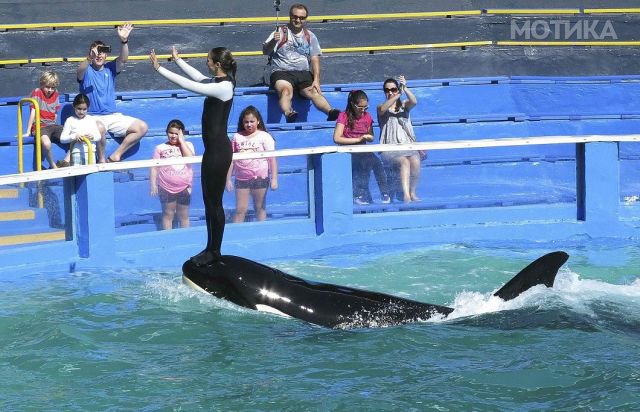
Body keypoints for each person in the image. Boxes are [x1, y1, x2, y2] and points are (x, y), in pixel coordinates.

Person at [150, 45, 236, 266]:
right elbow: (198, 77)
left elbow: (192, 85)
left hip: (219, 152)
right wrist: (177, 60)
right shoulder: (218, 82)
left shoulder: (225, 86)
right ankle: (210, 248)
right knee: (209, 201)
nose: (206, 62)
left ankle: (215, 250)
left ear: (218, 64)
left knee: (215, 203)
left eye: (209, 60)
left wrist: (160, 69)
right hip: (213, 151)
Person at [78, 23, 148, 163]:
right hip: (92, 117)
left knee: (142, 127)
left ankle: (116, 155)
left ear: (106, 54)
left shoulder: (110, 68)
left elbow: (123, 58)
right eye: (96, 52)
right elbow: (80, 71)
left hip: (112, 116)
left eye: (102, 51)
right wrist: (88, 58)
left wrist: (124, 41)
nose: (99, 55)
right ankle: (102, 160)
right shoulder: (87, 70)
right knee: (100, 128)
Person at [262, 3, 340, 123]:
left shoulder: (310, 36)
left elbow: (315, 58)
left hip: (303, 73)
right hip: (282, 72)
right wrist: (273, 40)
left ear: (305, 19)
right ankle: (289, 113)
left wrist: (316, 80)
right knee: (286, 91)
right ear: (290, 16)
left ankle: (330, 112)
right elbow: (265, 51)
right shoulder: (279, 32)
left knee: (313, 91)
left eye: (301, 17)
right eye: (295, 16)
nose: (298, 20)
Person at [333, 90, 390, 205]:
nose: (363, 110)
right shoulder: (343, 116)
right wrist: (357, 140)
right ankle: (359, 194)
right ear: (353, 105)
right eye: (360, 107)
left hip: (362, 148)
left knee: (377, 163)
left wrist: (368, 138)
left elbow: (371, 136)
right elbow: (337, 138)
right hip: (347, 149)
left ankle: (384, 193)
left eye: (366, 107)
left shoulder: (367, 116)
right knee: (364, 163)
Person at [226, 106, 278, 223]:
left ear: (258, 121)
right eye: (246, 122)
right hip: (242, 179)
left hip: (260, 178)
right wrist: (228, 179)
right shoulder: (237, 137)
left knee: (259, 207)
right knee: (240, 209)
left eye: (252, 121)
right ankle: (236, 233)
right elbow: (232, 160)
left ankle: (262, 232)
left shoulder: (265, 136)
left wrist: (274, 179)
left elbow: (272, 159)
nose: (249, 125)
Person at [377, 76, 422, 203]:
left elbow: (414, 101)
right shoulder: (381, 107)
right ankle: (406, 195)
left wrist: (405, 88)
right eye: (387, 90)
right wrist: (397, 95)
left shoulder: (404, 106)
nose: (390, 92)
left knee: (415, 161)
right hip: (389, 148)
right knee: (404, 161)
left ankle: (412, 192)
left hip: (407, 146)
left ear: (397, 89)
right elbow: (382, 110)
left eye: (393, 89)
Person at [150, 119, 195, 230]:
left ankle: (186, 238)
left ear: (181, 134)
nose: (173, 136)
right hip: (166, 188)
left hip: (184, 187)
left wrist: (182, 141)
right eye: (171, 133)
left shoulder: (188, 145)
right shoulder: (160, 148)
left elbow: (190, 159)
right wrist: (153, 185)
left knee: (183, 215)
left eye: (177, 133)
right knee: (168, 214)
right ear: (167, 133)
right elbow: (154, 167)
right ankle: (168, 238)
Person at [24, 71, 69, 169]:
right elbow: (33, 112)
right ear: (42, 84)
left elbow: (55, 113)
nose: (50, 90)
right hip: (40, 126)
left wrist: (56, 129)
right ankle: (53, 165)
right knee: (46, 143)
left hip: (53, 126)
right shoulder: (37, 92)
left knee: (76, 137)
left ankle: (66, 161)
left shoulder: (55, 94)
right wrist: (28, 131)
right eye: (47, 87)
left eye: (52, 88)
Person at [59, 94, 103, 165]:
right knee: (78, 174)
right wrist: (74, 136)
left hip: (90, 153)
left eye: (84, 109)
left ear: (87, 108)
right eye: (79, 109)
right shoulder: (70, 120)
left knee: (90, 174)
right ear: (74, 107)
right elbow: (62, 139)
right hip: (76, 153)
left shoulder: (91, 119)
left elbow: (98, 136)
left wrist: (92, 136)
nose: (81, 112)